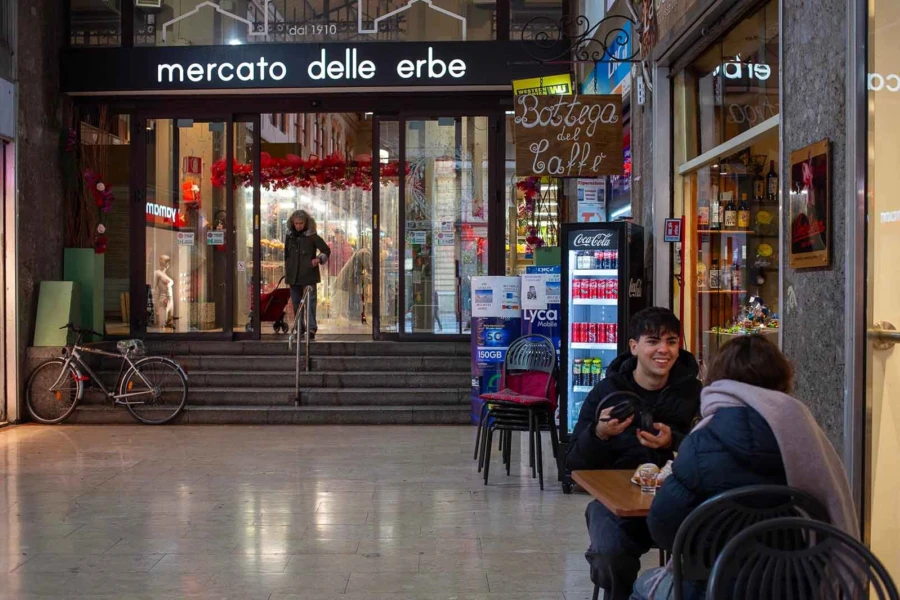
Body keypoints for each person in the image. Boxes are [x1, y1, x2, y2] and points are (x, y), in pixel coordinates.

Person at [631, 335, 859, 600]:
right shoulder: (810, 437)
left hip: (714, 587)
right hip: (795, 588)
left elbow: (663, 526)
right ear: (782, 377)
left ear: (718, 380)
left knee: (642, 586)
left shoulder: (700, 443)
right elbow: (831, 513)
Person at [566, 307, 702, 600]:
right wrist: (599, 434)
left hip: (680, 502)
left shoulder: (693, 392)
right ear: (634, 346)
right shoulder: (607, 391)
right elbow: (572, 463)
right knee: (610, 556)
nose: (663, 350)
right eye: (653, 341)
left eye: (671, 341)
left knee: (716, 546)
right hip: (617, 507)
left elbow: (708, 448)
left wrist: (672, 441)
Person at [284, 210, 330, 340]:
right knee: (297, 303)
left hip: (309, 274)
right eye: (296, 223)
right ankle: (300, 327)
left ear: (306, 222)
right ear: (292, 223)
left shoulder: (312, 236)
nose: (298, 226)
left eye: (301, 223)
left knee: (310, 303)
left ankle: (311, 328)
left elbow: (326, 250)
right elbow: (287, 255)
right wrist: (288, 271)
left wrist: (319, 259)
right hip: (293, 276)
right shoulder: (290, 236)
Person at [153, 255, 174, 330]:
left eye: (168, 261)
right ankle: (160, 340)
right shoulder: (157, 273)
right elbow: (153, 288)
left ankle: (169, 340)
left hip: (170, 299)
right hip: (163, 298)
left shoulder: (166, 275)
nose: (167, 263)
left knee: (170, 323)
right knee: (162, 323)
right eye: (165, 261)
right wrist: (154, 304)